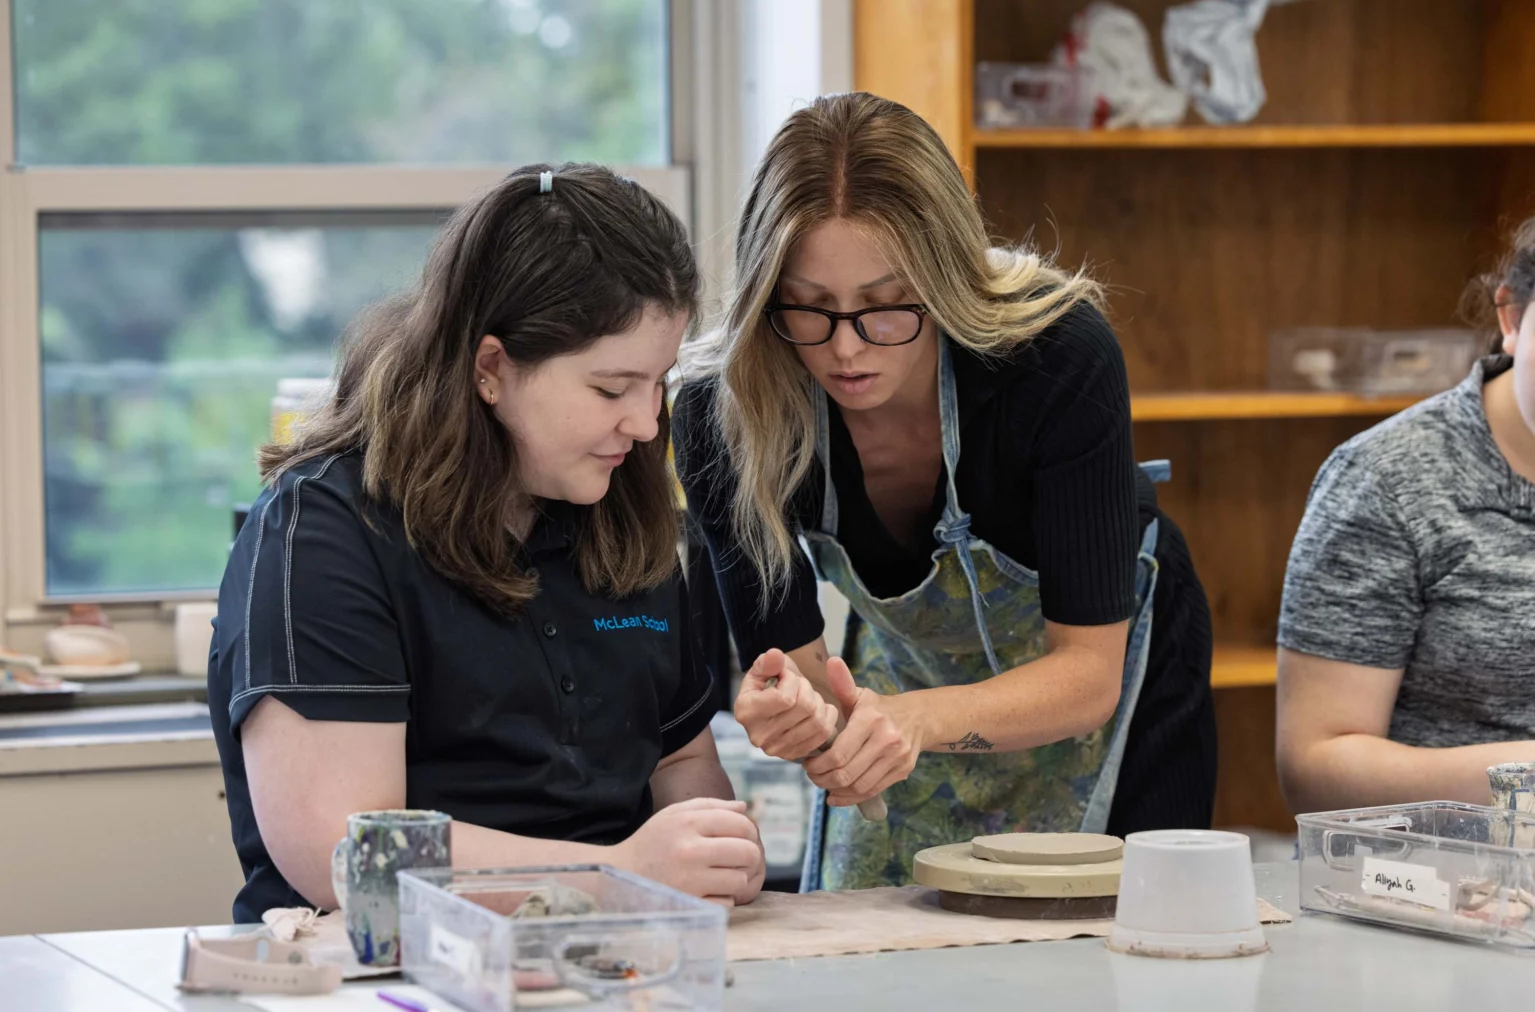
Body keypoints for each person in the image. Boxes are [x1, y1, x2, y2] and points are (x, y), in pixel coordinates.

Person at [674, 93, 1216, 891]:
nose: (847, 351)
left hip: (1109, 671)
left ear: (946, 280)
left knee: (1119, 936)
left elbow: (1087, 676)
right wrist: (801, 721)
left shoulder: (1056, 356)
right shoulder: (724, 411)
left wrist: (914, 719)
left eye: (886, 306)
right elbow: (797, 671)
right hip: (901, 682)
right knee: (881, 947)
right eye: (811, 310)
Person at [208, 164, 764, 923]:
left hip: (615, 967)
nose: (643, 425)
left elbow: (679, 759)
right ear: (493, 369)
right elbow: (343, 856)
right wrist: (618, 872)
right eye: (609, 389)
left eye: (657, 382)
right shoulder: (325, 533)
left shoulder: (613, 500)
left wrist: (710, 851)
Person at [1277, 216, 1535, 812]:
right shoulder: (1389, 480)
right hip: (1432, 880)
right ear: (1511, 319)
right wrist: (1520, 779)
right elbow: (1314, 768)